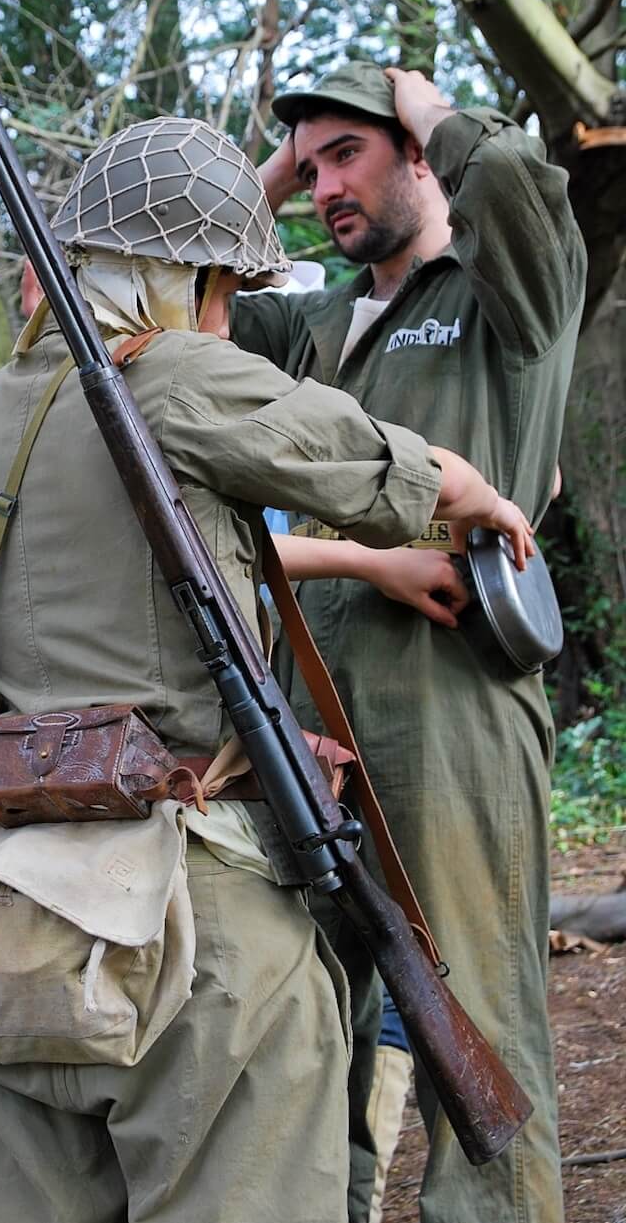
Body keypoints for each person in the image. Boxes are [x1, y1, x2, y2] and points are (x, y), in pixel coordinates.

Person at [0, 115, 533, 1223]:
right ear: (191, 276)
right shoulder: (168, 376)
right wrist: (484, 497)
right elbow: (382, 466)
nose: (226, 316)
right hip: (183, 917)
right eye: (223, 288)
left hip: (6, 916)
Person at [235, 61, 584, 1223]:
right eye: (313, 166)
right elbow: (168, 295)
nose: (326, 184)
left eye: (351, 154)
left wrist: (415, 94)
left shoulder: (504, 298)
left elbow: (526, 189)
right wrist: (275, 164)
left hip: (449, 707)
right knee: (310, 1028)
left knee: (470, 1019)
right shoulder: (313, 323)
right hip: (309, 719)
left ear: (422, 153)